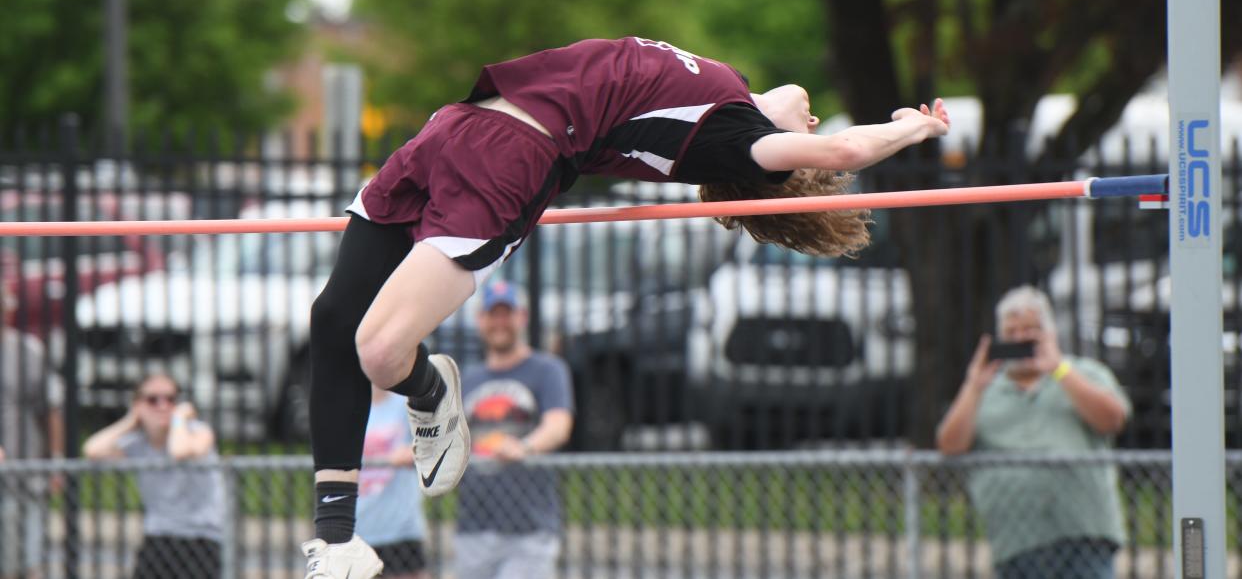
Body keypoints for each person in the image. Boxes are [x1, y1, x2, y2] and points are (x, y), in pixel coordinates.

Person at [302, 36, 951, 578]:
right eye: (811, 121)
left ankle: (424, 389)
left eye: (805, 138)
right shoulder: (731, 87)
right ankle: (336, 539)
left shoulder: (735, 141)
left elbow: (843, 152)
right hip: (456, 125)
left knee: (380, 350)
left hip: (508, 160)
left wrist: (915, 127)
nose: (812, 120)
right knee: (332, 319)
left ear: (776, 169)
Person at [936, 286, 1131, 579]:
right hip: (1016, 544)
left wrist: (1059, 369)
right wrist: (973, 386)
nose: (1021, 339)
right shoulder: (984, 391)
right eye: (1012, 333)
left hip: (1083, 535)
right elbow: (950, 445)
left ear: (1051, 333)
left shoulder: (1084, 372)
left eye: (1031, 330)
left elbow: (1113, 419)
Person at [453, 280, 574, 579]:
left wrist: (525, 447)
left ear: (523, 317)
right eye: (493, 314)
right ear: (481, 320)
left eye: (507, 314)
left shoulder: (547, 370)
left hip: (529, 528)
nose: (500, 323)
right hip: (474, 526)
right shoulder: (468, 378)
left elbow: (559, 424)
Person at [83, 373, 225, 579]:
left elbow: (179, 452)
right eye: (153, 400)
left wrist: (178, 419)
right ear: (138, 404)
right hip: (159, 535)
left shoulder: (198, 432)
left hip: (202, 536)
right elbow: (92, 450)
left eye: (170, 399)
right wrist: (131, 420)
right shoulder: (138, 442)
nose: (163, 406)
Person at [0, 313, 64, 579]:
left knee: (27, 561)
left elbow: (51, 409)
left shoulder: (28, 350)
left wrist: (56, 461)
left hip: (23, 470)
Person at [357, 384, 430, 579]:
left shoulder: (406, 405)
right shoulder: (348, 409)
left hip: (399, 527)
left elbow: (434, 445)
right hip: (359, 527)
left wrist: (413, 452)